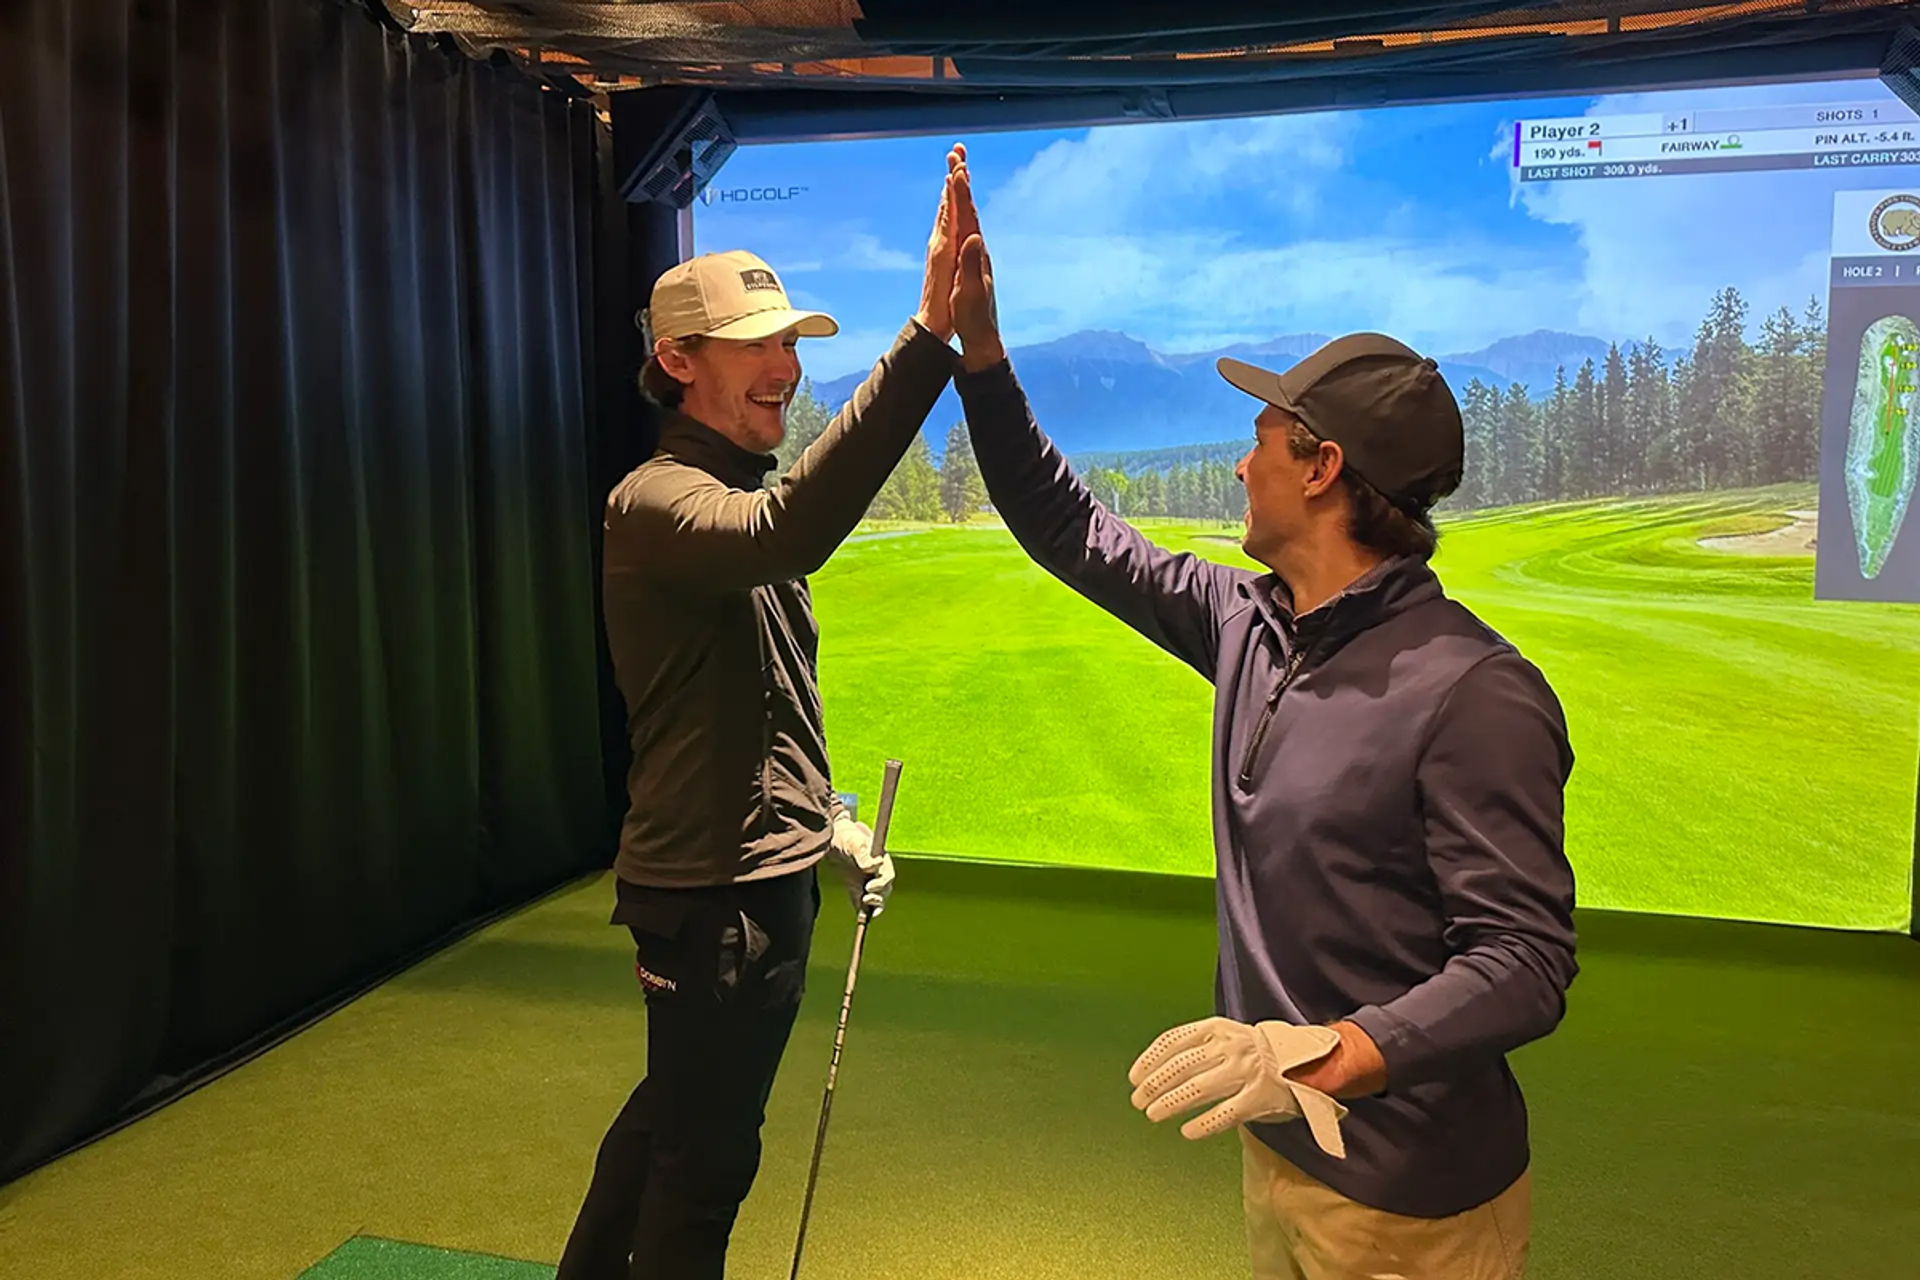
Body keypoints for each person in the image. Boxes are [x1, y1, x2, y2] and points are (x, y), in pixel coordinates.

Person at [941, 156, 1577, 1279]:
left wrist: (1326, 1055)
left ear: (1323, 467)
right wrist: (981, 355)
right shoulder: (1247, 621)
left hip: (1413, 1201)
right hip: (1280, 1147)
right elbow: (1068, 528)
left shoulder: (1474, 690)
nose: (1240, 465)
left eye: (1262, 440)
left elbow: (1524, 961)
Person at [557, 155, 966, 1280]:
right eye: (756, 344)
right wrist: (928, 339)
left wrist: (828, 820)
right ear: (679, 360)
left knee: (673, 1114)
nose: (786, 366)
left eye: (790, 341)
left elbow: (765, 705)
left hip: (752, 881)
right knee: (704, 1164)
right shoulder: (657, 501)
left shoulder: (730, 497)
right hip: (714, 899)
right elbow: (789, 532)